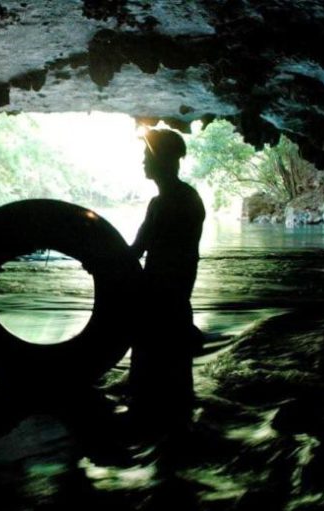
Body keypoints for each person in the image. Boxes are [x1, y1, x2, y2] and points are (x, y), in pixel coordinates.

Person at [128, 128, 205, 427]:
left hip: (164, 311)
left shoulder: (180, 202)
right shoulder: (162, 202)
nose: (142, 161)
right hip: (160, 309)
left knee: (159, 398)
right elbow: (135, 251)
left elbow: (179, 261)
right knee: (167, 400)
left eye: (147, 155)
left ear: (162, 159)